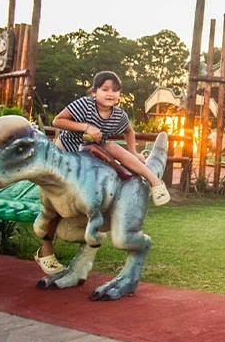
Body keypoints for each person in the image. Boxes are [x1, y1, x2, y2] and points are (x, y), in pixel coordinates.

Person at [33, 71, 170, 274]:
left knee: (113, 148)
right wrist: (85, 126)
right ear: (94, 91)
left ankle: (155, 183)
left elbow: (129, 131)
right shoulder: (84, 105)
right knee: (54, 204)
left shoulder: (118, 115)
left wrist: (133, 152)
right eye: (105, 89)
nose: (110, 94)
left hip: (90, 155)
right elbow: (58, 121)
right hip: (68, 153)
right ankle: (45, 251)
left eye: (115, 90)